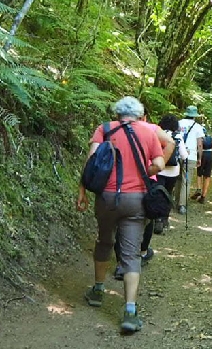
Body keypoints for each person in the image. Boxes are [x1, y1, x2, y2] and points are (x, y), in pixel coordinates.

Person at [76, 96, 165, 333]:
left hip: (106, 198)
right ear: (139, 114)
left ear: (117, 113)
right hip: (136, 200)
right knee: (131, 253)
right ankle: (129, 311)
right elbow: (159, 164)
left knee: (104, 241)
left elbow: (91, 162)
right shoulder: (148, 132)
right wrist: (145, 170)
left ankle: (97, 291)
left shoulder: (105, 129)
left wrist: (82, 191)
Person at [112, 110, 175, 280]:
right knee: (146, 220)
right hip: (147, 180)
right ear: (144, 117)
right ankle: (142, 252)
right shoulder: (152, 129)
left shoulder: (117, 128)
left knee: (122, 221)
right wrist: (157, 165)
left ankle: (121, 264)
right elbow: (171, 142)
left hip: (122, 180)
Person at [154, 114, 189, 231]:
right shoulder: (177, 136)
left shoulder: (158, 134)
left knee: (158, 194)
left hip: (158, 169)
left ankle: (157, 218)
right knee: (168, 194)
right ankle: (165, 219)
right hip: (173, 171)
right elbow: (184, 156)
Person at [174, 105, 204, 214]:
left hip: (178, 154)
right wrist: (200, 158)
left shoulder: (178, 123)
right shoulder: (198, 127)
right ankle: (182, 205)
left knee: (178, 179)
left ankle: (176, 201)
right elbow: (200, 144)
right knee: (186, 181)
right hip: (191, 156)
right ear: (195, 116)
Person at [191, 124, 212, 204]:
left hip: (202, 154)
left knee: (199, 173)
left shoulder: (199, 138)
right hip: (210, 155)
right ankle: (203, 196)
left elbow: (198, 146)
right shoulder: (210, 138)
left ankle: (199, 188)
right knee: (207, 175)